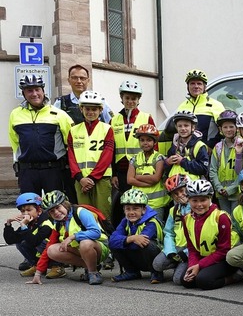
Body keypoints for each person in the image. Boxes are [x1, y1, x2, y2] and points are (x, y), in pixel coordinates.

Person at [9, 74, 73, 196]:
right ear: (24, 94)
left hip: (53, 170)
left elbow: (70, 143)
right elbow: (15, 142)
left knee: (56, 208)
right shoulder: (15, 114)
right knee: (29, 208)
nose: (34, 94)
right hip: (27, 171)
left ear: (43, 91)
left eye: (37, 89)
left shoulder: (59, 114)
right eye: (29, 91)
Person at [28, 190, 110, 285]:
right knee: (51, 250)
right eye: (52, 211)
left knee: (85, 243)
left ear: (65, 204)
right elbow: (48, 248)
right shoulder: (58, 223)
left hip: (99, 248)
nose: (56, 213)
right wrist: (38, 273)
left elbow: (96, 233)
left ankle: (93, 273)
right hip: (80, 250)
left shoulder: (81, 212)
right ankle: (89, 266)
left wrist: (73, 237)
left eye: (58, 207)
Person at [179, 179, 238, 290]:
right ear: (188, 200)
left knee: (204, 281)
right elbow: (192, 248)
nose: (199, 204)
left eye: (203, 200)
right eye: (194, 200)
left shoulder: (221, 217)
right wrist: (193, 265)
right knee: (186, 281)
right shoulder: (187, 219)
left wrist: (199, 266)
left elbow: (224, 250)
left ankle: (235, 277)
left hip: (224, 259)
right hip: (204, 258)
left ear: (210, 198)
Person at [110, 80, 155, 224]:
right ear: (122, 98)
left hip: (140, 168)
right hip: (121, 171)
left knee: (139, 202)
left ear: (138, 100)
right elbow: (111, 148)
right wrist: (114, 174)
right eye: (127, 98)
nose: (130, 101)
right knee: (125, 203)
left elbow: (154, 144)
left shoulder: (146, 117)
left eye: (134, 98)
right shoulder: (114, 119)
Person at [67, 90, 115, 221]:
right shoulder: (73, 130)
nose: (90, 112)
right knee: (84, 214)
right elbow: (71, 156)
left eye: (94, 109)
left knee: (103, 214)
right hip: (81, 180)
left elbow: (107, 155)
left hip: (101, 179)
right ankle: (86, 241)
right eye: (87, 109)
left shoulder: (107, 129)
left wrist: (92, 178)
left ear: (100, 110)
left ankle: (105, 240)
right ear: (81, 109)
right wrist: (80, 177)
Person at [4, 193, 65, 279]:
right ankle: (38, 266)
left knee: (40, 242)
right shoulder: (29, 223)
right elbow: (10, 240)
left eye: (29, 210)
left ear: (39, 210)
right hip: (41, 249)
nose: (25, 214)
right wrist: (8, 224)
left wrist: (24, 227)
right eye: (22, 211)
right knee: (20, 243)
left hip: (57, 249)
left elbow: (34, 242)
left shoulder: (46, 223)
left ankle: (57, 267)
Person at [109, 189, 164, 283]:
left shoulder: (152, 222)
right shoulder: (125, 221)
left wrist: (124, 241)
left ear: (144, 210)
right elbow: (112, 240)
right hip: (137, 255)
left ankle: (156, 273)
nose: (131, 212)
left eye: (135, 208)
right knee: (114, 244)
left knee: (146, 244)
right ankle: (132, 272)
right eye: (128, 209)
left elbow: (140, 243)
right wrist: (132, 238)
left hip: (153, 257)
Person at [152, 174, 191, 285]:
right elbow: (168, 232)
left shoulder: (197, 207)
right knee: (157, 264)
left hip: (190, 251)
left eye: (182, 191)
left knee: (178, 280)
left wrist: (186, 253)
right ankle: (179, 265)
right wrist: (170, 251)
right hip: (176, 249)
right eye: (175, 193)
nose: (179, 195)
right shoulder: (173, 211)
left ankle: (185, 266)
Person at [127, 124, 170, 220]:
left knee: (156, 227)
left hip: (156, 204)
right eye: (142, 140)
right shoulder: (134, 158)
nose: (145, 143)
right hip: (138, 202)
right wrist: (147, 183)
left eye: (149, 140)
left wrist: (137, 177)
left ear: (155, 142)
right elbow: (129, 180)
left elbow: (156, 178)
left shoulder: (159, 158)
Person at [175, 69, 225, 149]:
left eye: (199, 83)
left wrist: (211, 147)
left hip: (207, 152)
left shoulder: (216, 105)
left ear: (204, 87)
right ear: (188, 87)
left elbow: (224, 130)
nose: (196, 86)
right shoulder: (182, 106)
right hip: (186, 152)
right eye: (192, 83)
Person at [210, 110, 241, 214]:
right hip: (221, 193)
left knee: (235, 220)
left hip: (237, 192)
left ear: (237, 128)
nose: (228, 130)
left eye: (231, 126)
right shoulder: (218, 147)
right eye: (225, 127)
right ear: (220, 129)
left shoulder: (241, 145)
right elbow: (213, 170)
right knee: (225, 219)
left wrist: (231, 189)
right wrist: (219, 187)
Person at [165, 110, 209, 180]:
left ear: (193, 127)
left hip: (192, 186)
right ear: (176, 127)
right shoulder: (174, 146)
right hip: (174, 186)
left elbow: (203, 169)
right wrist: (167, 162)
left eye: (186, 125)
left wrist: (182, 161)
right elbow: (166, 170)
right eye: (180, 126)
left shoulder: (199, 146)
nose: (183, 129)